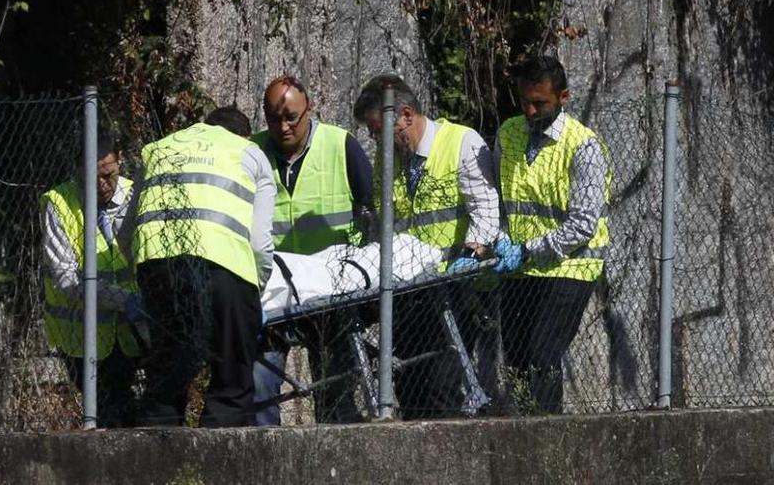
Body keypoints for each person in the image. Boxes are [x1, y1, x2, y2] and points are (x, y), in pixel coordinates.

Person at [352, 74, 500, 419]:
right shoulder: (388, 160)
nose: (376, 139)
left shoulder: (460, 142)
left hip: (454, 285)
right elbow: (382, 222)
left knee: (442, 382)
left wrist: (471, 254)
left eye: (379, 129)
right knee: (407, 382)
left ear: (405, 115)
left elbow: (486, 209)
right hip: (406, 287)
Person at [122, 106, 275, 427]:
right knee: (231, 384)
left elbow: (126, 233)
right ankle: (215, 468)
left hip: (157, 267)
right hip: (224, 267)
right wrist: (255, 288)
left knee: (166, 379)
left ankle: (159, 464)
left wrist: (144, 275)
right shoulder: (250, 152)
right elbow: (260, 242)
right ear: (242, 134)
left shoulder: (158, 149)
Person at [250, 75, 374, 425]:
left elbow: (371, 209)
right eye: (274, 118)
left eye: (291, 116)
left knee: (335, 386)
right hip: (274, 291)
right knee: (259, 384)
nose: (284, 126)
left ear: (309, 110)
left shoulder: (339, 145)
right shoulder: (253, 152)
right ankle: (265, 458)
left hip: (330, 289)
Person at [491, 55, 612, 413]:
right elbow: (500, 198)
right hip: (520, 266)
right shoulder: (508, 134)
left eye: (539, 103)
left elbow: (583, 224)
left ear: (563, 97)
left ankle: (544, 432)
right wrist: (500, 239)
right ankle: (522, 425)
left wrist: (527, 248)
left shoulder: (583, 146)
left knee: (543, 353)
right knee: (514, 357)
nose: (530, 111)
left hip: (569, 267)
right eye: (525, 102)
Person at [41, 132, 145, 427]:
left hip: (133, 333)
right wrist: (124, 300)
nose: (101, 186)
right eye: (91, 178)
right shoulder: (59, 203)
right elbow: (66, 278)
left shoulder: (136, 195)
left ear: (120, 161)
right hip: (82, 338)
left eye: (108, 175)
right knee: (108, 415)